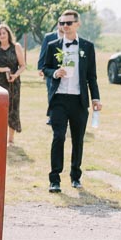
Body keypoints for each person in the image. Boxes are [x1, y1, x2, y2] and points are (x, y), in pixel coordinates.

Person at [41, 10, 101, 193]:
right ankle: (54, 179)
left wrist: (96, 98)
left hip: (79, 100)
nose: (64, 26)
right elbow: (44, 67)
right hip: (59, 98)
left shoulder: (87, 47)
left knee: (78, 139)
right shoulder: (53, 46)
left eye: (68, 23)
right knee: (58, 137)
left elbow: (92, 76)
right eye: (61, 23)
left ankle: (75, 176)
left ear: (77, 24)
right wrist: (54, 73)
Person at [0, 23, 26, 145]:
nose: (2, 36)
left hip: (13, 82)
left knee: (13, 108)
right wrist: (3, 69)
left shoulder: (16, 47)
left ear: (8, 34)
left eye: (4, 33)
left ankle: (11, 139)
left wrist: (15, 74)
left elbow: (23, 65)